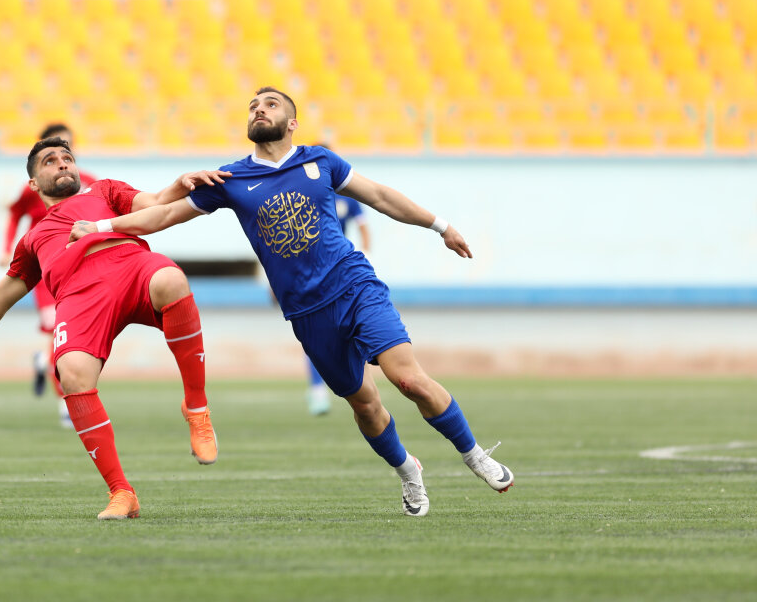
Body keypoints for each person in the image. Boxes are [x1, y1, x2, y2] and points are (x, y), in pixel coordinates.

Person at [70, 87, 514, 518]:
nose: (259, 110)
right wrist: (103, 227)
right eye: (253, 106)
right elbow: (165, 214)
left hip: (354, 286)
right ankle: (407, 471)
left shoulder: (320, 161)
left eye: (270, 104)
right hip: (306, 312)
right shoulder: (230, 179)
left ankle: (474, 455)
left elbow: (379, 196)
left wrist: (441, 226)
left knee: (409, 379)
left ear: (292, 123)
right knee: (364, 404)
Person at [0, 135, 229, 520]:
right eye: (49, 161)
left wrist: (180, 184)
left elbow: (155, 201)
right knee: (72, 373)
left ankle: (196, 407)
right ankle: (121, 492)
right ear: (33, 183)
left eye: (66, 157)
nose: (62, 163)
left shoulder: (104, 191)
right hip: (80, 298)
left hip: (130, 267)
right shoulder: (31, 241)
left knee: (171, 279)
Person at [0, 122, 96, 427]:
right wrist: (7, 249)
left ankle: (44, 362)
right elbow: (15, 214)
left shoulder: (90, 184)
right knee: (58, 333)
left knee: (74, 336)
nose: (60, 159)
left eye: (66, 148)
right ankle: (66, 403)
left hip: (80, 272)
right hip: (45, 274)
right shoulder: (35, 188)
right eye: (50, 154)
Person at [304, 144, 372, 417]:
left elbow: (364, 227)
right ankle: (317, 390)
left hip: (342, 271)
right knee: (314, 334)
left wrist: (365, 256)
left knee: (352, 328)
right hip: (310, 272)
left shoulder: (346, 195)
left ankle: (360, 384)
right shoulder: (302, 193)